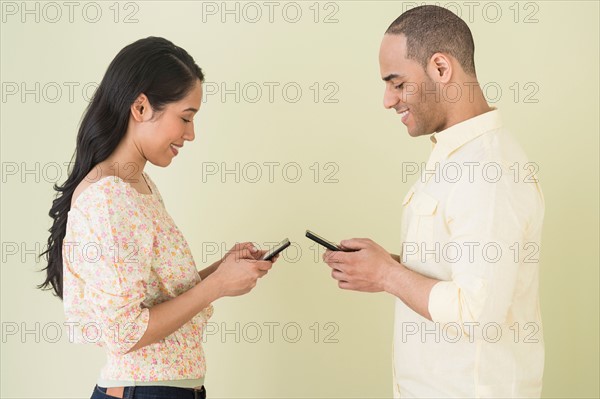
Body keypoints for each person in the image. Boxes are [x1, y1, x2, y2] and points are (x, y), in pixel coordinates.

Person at [322, 6, 545, 398]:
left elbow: (478, 312)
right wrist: (383, 265)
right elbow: (458, 270)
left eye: (397, 83)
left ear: (441, 69)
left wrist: (388, 276)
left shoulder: (487, 170)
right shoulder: (455, 156)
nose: (388, 100)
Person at [38, 37, 278, 399]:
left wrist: (221, 271)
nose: (191, 134)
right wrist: (217, 286)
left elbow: (155, 296)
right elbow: (124, 333)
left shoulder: (137, 185)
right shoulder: (109, 197)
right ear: (140, 107)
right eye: (185, 118)